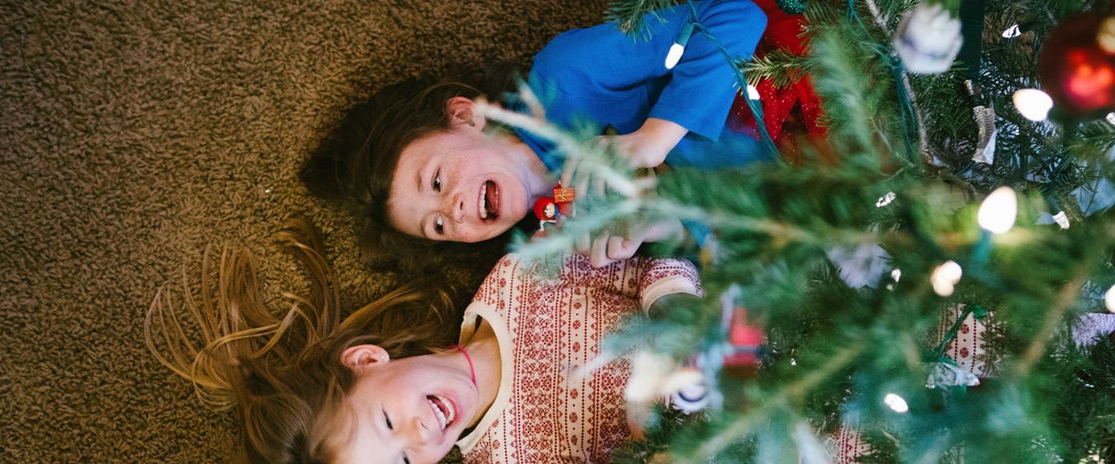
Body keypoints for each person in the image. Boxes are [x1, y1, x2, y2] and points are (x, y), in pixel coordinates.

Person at [146, 219, 702, 464]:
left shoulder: (519, 276)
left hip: (742, 321)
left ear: (366, 361)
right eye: (407, 463)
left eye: (389, 422)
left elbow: (653, 246)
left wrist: (675, 313)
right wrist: (654, 451)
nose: (421, 435)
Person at [302, 0, 768, 267]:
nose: (455, 210)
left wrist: (654, 136)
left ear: (465, 117)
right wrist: (660, 225)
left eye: (438, 181)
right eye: (439, 227)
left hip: (799, 97)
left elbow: (733, 14)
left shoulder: (565, 77)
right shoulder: (564, 227)